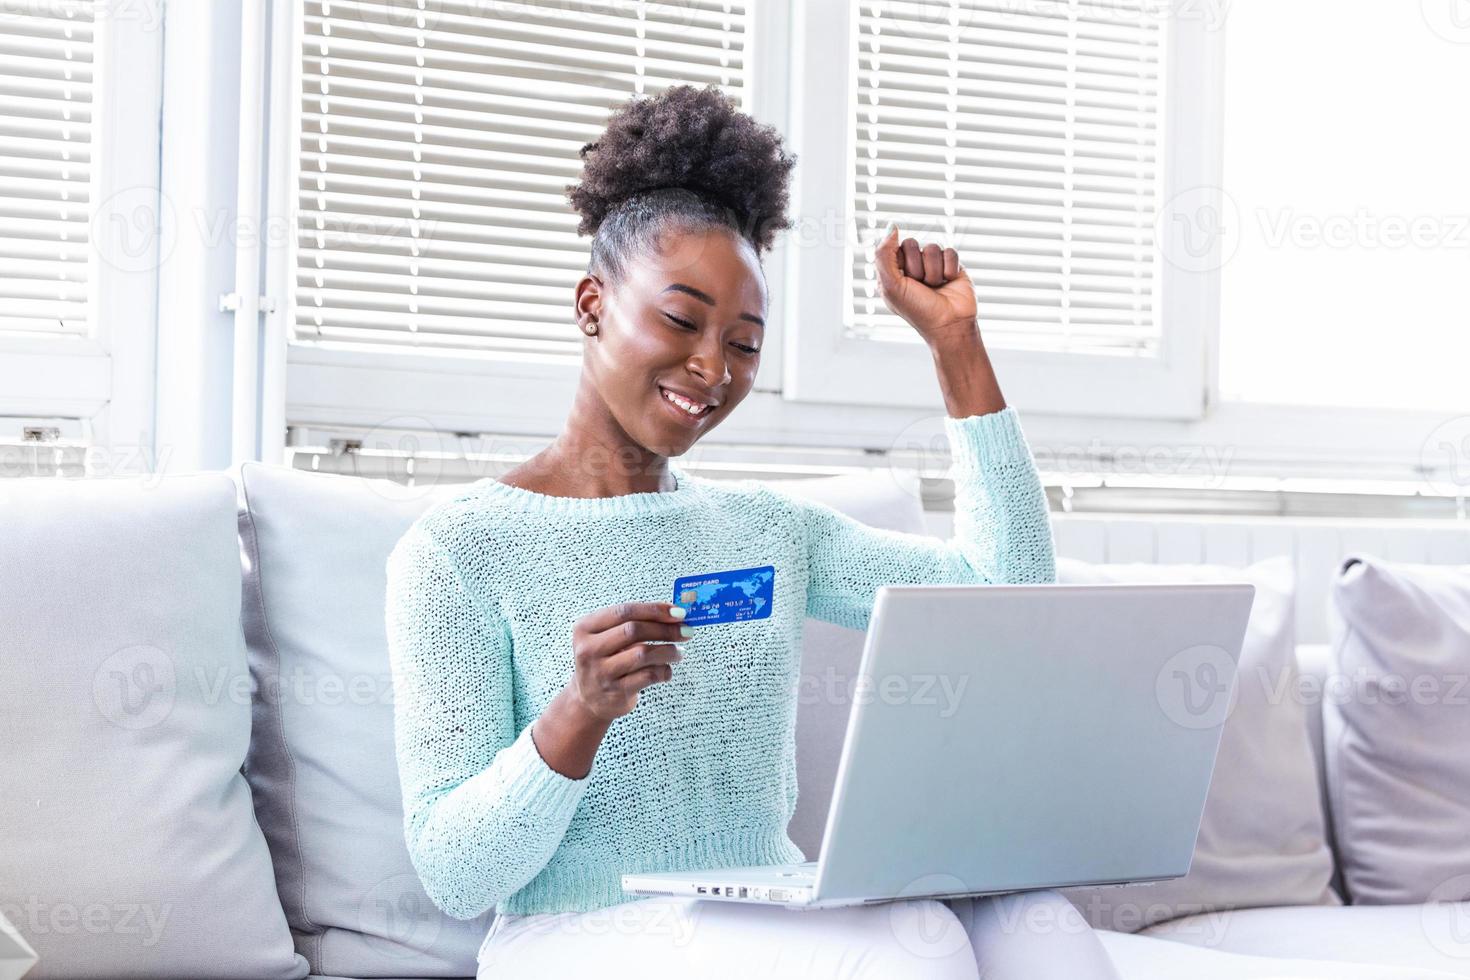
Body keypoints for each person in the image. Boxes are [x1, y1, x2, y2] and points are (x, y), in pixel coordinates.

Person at [384, 83, 1117, 979]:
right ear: (591, 305)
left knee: (1042, 928)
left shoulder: (770, 530)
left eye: (744, 342)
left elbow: (1006, 599)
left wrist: (955, 347)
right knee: (902, 956)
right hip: (573, 936)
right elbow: (453, 874)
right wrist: (577, 717)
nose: (711, 367)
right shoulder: (459, 550)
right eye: (682, 319)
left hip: (763, 910)